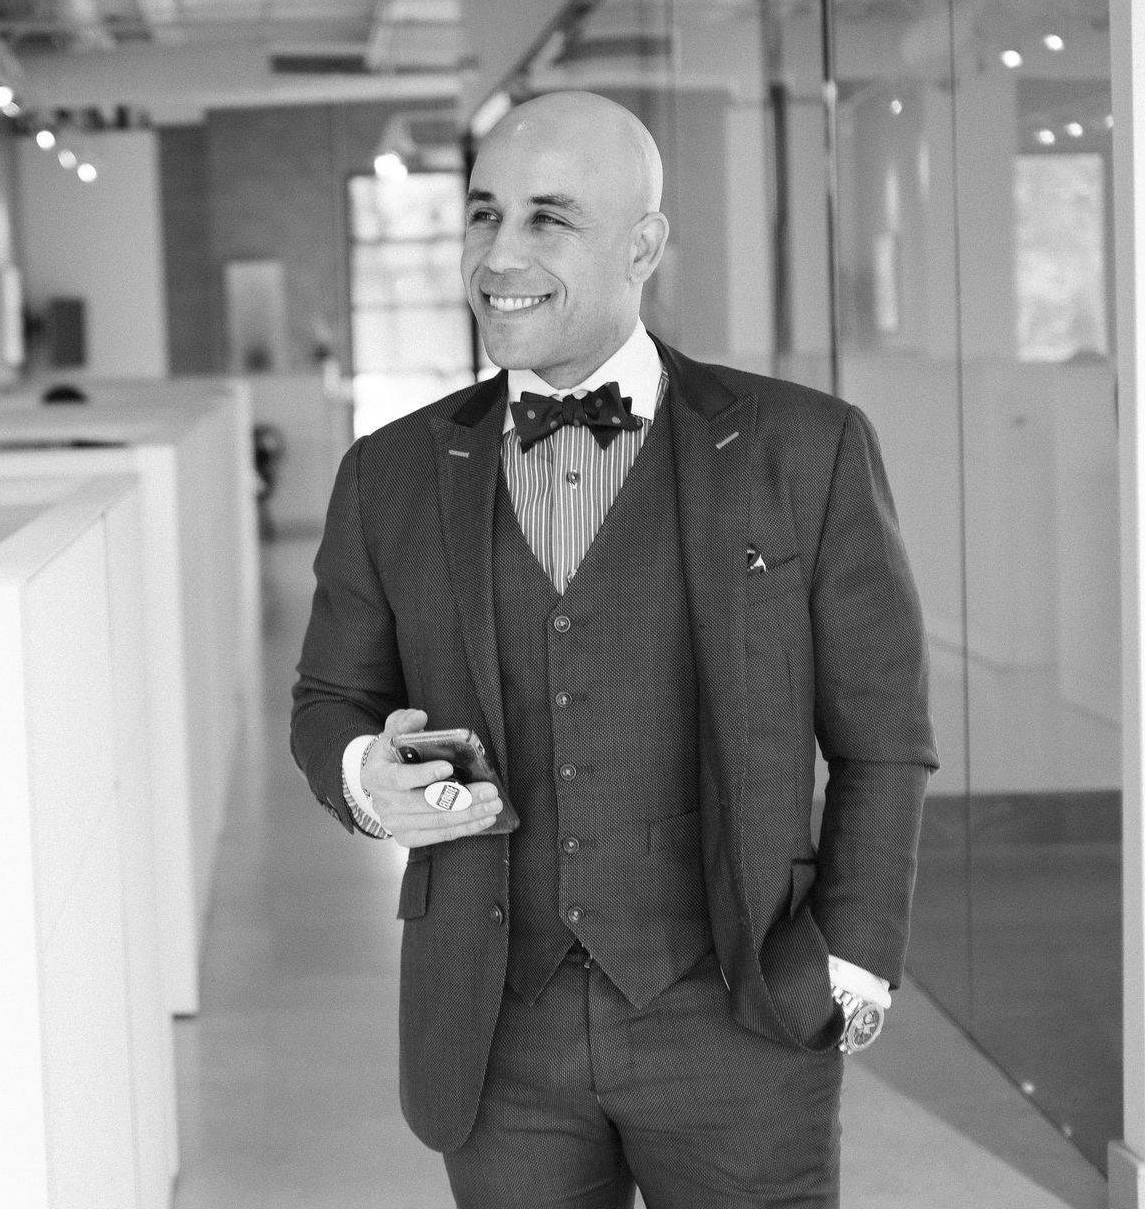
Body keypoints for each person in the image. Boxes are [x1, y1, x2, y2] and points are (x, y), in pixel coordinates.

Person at [289, 90, 936, 1208]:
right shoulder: (387, 473)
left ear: (643, 246)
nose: (500, 254)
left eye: (549, 218)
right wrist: (362, 774)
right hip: (495, 1028)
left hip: (740, 1012)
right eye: (484, 214)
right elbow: (328, 696)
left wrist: (849, 960)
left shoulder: (804, 447)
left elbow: (883, 734)